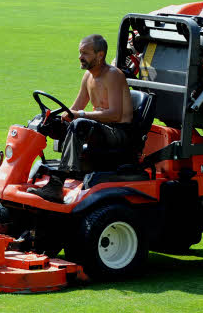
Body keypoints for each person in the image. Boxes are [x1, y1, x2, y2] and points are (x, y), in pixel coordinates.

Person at [28, 34, 134, 202]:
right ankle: (20, 173)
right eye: (80, 52)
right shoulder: (88, 76)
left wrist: (80, 115)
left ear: (100, 55)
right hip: (99, 127)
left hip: (119, 132)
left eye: (85, 53)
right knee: (46, 121)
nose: (80, 57)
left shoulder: (113, 75)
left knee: (80, 124)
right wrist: (57, 118)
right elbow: (76, 108)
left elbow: (115, 114)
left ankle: (56, 185)